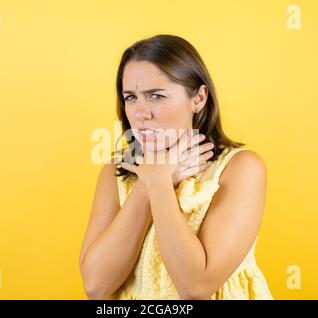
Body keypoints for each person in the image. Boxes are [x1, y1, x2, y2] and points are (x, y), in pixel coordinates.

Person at [79, 34, 273, 300]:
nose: (140, 112)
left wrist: (158, 182)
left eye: (156, 96)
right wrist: (147, 183)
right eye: (131, 97)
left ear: (198, 98)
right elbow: (95, 286)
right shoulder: (116, 173)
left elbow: (195, 288)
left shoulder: (240, 168)